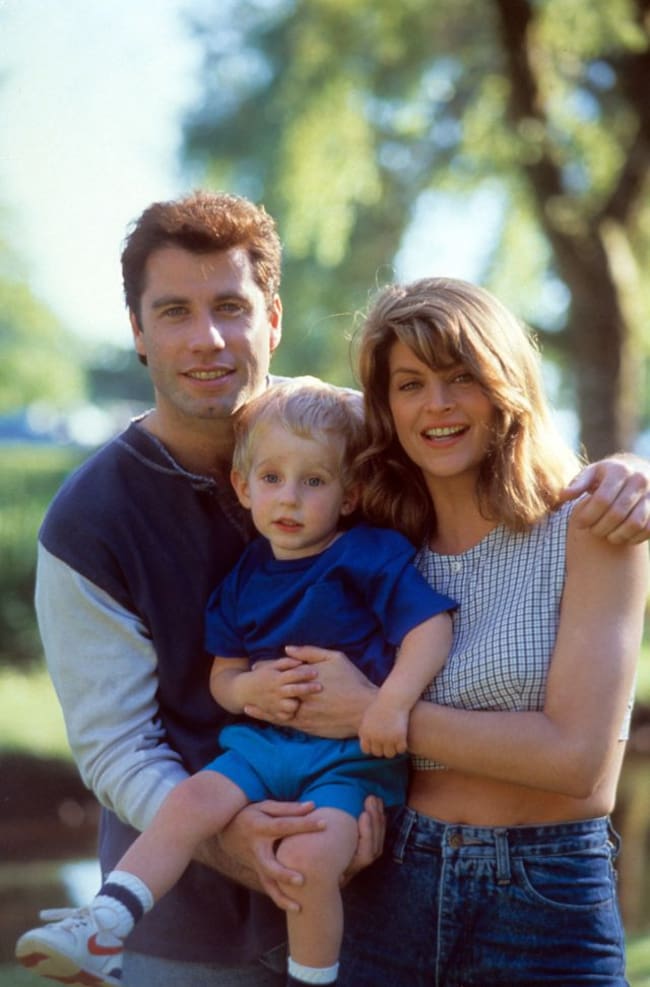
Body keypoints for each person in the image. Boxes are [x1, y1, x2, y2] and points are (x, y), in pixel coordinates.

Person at [14, 189, 650, 987]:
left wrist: (627, 470)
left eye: (231, 307)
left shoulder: (361, 449)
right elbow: (116, 744)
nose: (207, 337)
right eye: (174, 311)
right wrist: (235, 830)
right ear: (138, 332)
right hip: (206, 925)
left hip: (403, 875)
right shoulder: (91, 520)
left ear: (272, 319)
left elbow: (491, 450)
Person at [16, 377, 455, 987]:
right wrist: (249, 692)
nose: (290, 499)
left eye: (315, 481)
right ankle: (104, 921)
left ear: (349, 494)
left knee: (308, 864)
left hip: (348, 761)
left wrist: (391, 705)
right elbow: (223, 675)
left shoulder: (368, 554)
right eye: (272, 479)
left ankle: (312, 978)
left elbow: (429, 627)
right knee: (190, 801)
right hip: (263, 746)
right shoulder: (248, 572)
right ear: (243, 488)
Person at [311, 277, 648, 986]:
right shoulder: (375, 542)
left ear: (505, 383)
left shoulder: (591, 526)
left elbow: (576, 759)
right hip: (387, 883)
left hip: (545, 896)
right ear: (387, 406)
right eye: (410, 383)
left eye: (460, 377)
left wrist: (376, 712)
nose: (436, 405)